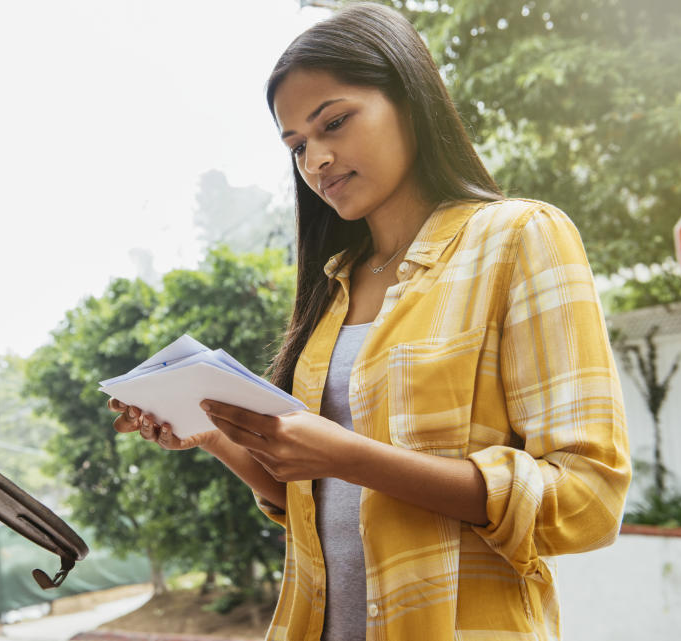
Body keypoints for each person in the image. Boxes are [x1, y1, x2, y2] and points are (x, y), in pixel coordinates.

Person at [108, 3, 631, 640]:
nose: (316, 160)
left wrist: (353, 458)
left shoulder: (520, 238)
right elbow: (312, 500)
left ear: (409, 97)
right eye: (297, 144)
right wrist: (213, 434)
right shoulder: (334, 287)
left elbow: (588, 501)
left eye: (335, 122)